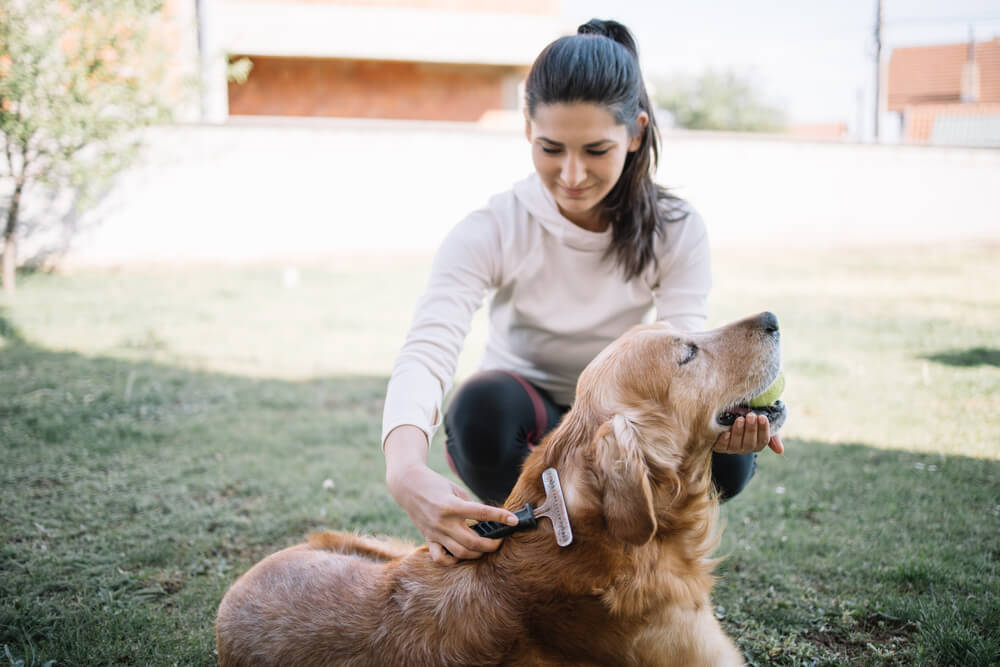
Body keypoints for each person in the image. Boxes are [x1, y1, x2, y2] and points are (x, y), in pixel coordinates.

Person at [381, 19, 783, 566]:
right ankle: (539, 544)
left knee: (728, 459)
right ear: (527, 129)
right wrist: (405, 469)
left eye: (596, 150)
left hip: (631, 417)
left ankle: (644, 555)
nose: (572, 174)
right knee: (480, 410)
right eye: (551, 148)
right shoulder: (495, 225)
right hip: (531, 421)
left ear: (635, 133)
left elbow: (686, 348)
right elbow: (430, 346)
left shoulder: (676, 227)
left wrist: (733, 417)